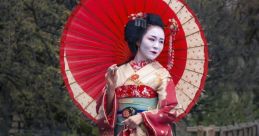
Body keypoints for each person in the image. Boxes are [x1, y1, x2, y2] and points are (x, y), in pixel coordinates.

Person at [96, 13, 178, 136]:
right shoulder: (117, 71)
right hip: (121, 131)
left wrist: (142, 117)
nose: (157, 46)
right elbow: (103, 113)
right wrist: (111, 89)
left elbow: (171, 110)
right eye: (152, 39)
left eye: (161, 41)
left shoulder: (162, 74)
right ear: (138, 40)